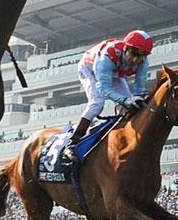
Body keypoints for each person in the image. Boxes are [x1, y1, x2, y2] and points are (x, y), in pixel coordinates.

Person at [62, 30, 154, 168]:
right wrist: (125, 101)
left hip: (115, 73)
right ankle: (72, 142)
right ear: (125, 48)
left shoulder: (143, 63)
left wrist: (134, 100)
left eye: (141, 57)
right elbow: (104, 89)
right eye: (134, 54)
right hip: (90, 69)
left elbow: (139, 90)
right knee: (97, 102)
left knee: (133, 104)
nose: (135, 60)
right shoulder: (108, 54)